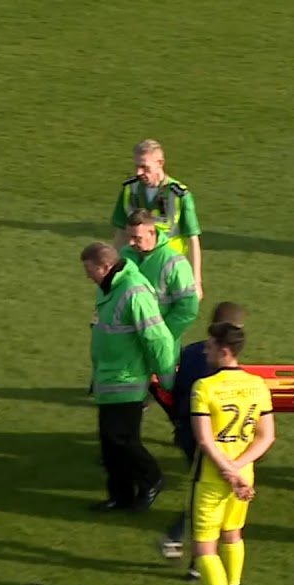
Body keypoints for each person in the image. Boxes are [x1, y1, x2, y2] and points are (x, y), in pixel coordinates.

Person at [188, 317, 275, 585]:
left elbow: (205, 440)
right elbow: (266, 437)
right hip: (245, 475)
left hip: (213, 477)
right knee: (233, 534)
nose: (206, 350)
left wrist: (226, 469)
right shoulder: (257, 384)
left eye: (210, 345)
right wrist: (239, 470)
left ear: (224, 351)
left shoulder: (204, 387)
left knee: (205, 546)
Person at [82, 242, 179, 513]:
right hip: (110, 377)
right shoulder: (112, 289)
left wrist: (167, 377)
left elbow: (157, 338)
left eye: (89, 269)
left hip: (127, 378)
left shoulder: (133, 292)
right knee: (109, 444)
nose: (87, 275)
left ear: (104, 267)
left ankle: (152, 479)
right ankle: (120, 496)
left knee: (121, 439)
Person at [156, 302, 246, 569]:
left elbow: (174, 391)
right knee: (210, 500)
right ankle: (190, 553)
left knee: (206, 495)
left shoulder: (190, 352)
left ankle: (189, 552)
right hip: (212, 439)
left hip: (187, 431)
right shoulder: (222, 364)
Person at [110, 139, 203, 299]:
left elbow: (193, 240)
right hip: (137, 268)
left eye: (144, 167)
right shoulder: (128, 190)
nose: (139, 172)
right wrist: (115, 271)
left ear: (160, 163)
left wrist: (196, 281)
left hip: (169, 271)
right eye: (136, 166)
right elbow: (120, 233)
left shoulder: (180, 195)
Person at [120, 209, 200, 339]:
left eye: (136, 238)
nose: (131, 243)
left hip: (159, 345)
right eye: (129, 237)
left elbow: (187, 309)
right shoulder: (124, 254)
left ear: (151, 233)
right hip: (127, 341)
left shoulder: (175, 263)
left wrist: (160, 336)